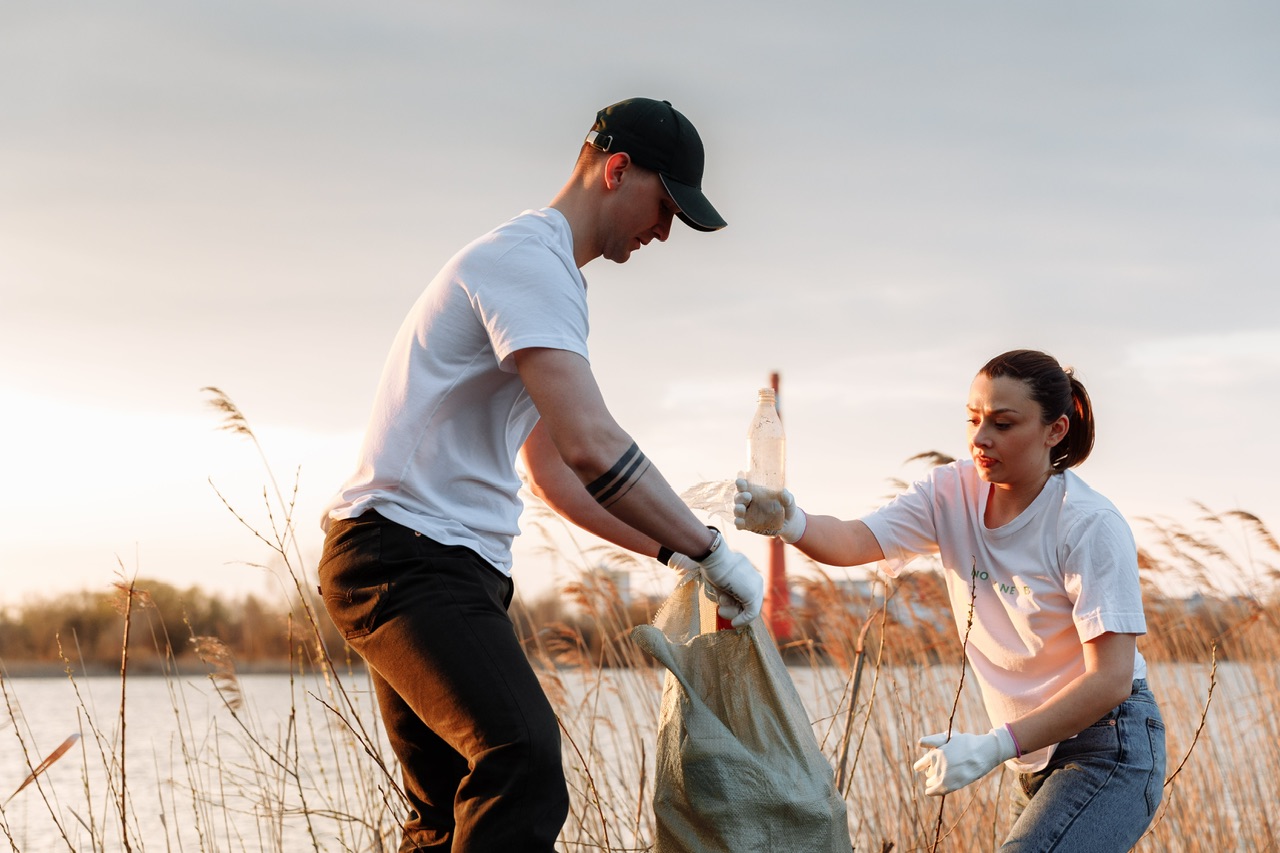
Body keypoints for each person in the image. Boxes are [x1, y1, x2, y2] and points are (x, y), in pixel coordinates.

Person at [317, 97, 763, 852]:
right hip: (407, 559)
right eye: (664, 206)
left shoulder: (548, 282)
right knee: (519, 759)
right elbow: (592, 442)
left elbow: (558, 473)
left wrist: (676, 552)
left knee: (447, 813)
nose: (662, 232)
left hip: (432, 565)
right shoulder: (527, 262)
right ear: (616, 170)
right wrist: (712, 547)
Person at [734, 349, 1166, 851]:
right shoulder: (951, 491)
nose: (981, 438)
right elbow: (856, 539)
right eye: (974, 419)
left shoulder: (1087, 523)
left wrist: (992, 746)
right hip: (1029, 754)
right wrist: (789, 522)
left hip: (1107, 745)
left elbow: (1111, 679)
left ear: (1056, 430)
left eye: (1003, 424)